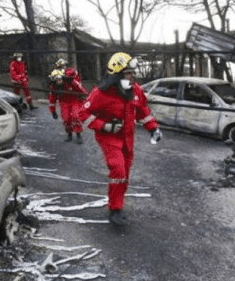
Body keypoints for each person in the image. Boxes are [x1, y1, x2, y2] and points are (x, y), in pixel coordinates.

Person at [78, 52, 162, 225]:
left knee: (125, 174)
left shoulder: (135, 90)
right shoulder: (101, 93)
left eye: (133, 73)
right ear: (117, 74)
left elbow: (142, 111)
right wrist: (104, 126)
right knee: (118, 170)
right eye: (128, 73)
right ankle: (115, 209)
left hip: (128, 138)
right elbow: (83, 113)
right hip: (109, 139)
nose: (132, 77)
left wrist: (153, 128)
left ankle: (118, 203)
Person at [48, 59, 88, 144]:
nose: (59, 81)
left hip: (74, 100)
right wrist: (53, 111)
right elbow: (52, 98)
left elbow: (82, 90)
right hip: (63, 101)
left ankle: (78, 134)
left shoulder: (71, 80)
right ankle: (69, 134)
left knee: (75, 116)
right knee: (66, 119)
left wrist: (83, 96)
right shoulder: (54, 85)